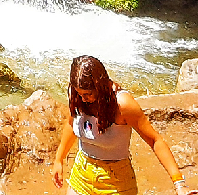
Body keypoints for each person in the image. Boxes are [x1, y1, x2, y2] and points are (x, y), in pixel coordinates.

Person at [48, 55, 190, 195]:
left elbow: (154, 140)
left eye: (88, 94)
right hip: (82, 174)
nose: (83, 99)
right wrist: (58, 160)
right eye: (79, 94)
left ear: (100, 86)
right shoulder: (77, 96)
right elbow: (70, 124)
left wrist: (179, 183)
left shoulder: (122, 105)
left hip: (116, 181)